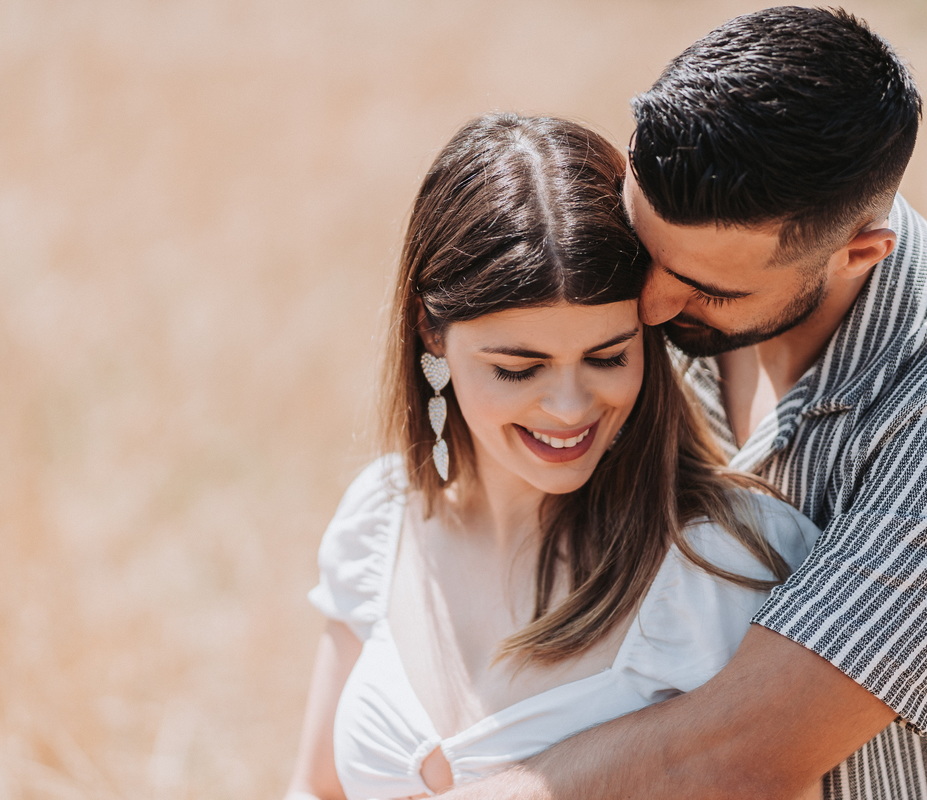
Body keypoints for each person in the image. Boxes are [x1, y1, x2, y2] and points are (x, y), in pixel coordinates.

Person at [438, 7, 927, 800]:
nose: (648, 308)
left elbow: (746, 751)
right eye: (647, 250)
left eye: (708, 288)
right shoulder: (663, 303)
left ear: (858, 253)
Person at [285, 112, 822, 800]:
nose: (570, 408)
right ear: (430, 331)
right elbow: (316, 788)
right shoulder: (380, 518)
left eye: (607, 357)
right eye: (518, 367)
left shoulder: (725, 568)